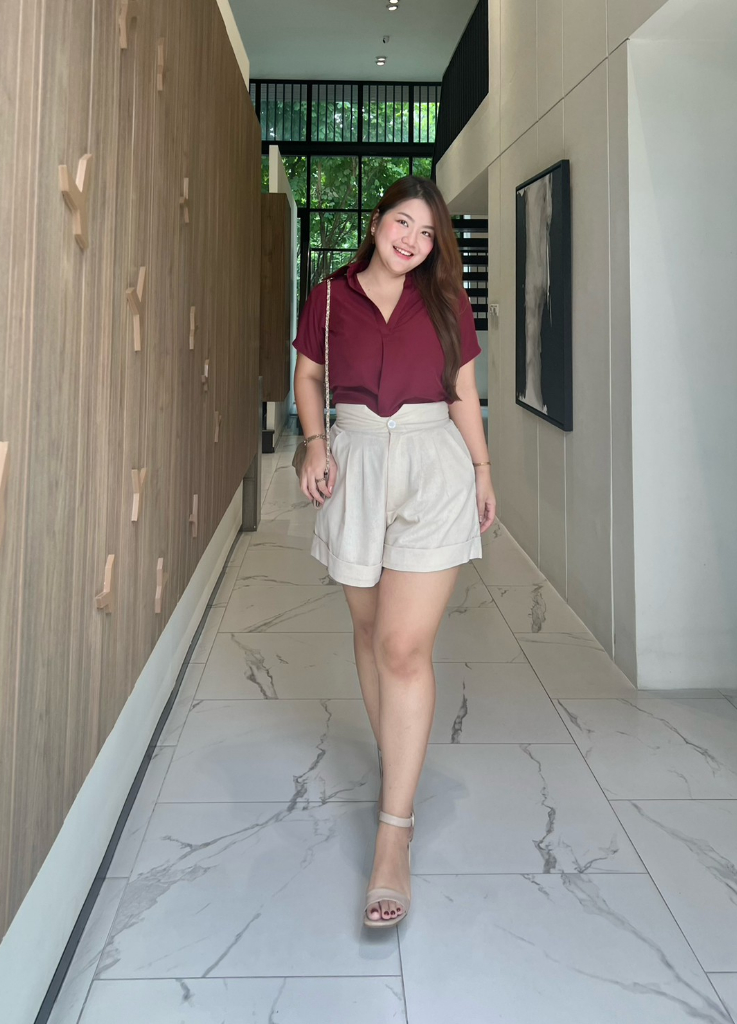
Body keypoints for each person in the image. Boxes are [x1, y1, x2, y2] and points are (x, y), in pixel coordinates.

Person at [291, 175, 497, 928]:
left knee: (404, 648)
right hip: (355, 463)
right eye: (402, 222)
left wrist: (482, 469)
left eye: (427, 232)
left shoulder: (444, 302)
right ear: (377, 221)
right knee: (370, 631)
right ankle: (397, 758)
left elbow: (462, 394)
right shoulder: (328, 298)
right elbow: (308, 376)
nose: (412, 240)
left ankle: (394, 832)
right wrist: (315, 444)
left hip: (433, 463)